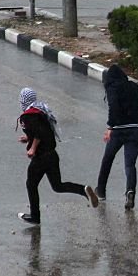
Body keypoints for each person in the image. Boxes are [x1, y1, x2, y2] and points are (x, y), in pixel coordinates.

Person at [17, 88, 99, 225]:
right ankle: (83, 190)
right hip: (52, 155)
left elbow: (40, 133)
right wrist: (28, 138)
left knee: (31, 185)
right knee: (57, 186)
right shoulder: (40, 110)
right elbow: (44, 131)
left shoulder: (29, 116)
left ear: (24, 100)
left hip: (41, 157)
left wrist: (32, 147)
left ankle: (35, 217)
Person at [96, 64, 138, 210]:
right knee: (130, 164)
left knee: (107, 160)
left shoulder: (112, 88)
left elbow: (113, 107)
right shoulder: (133, 87)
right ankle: (130, 191)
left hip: (118, 131)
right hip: (134, 130)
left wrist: (110, 127)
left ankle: (101, 190)